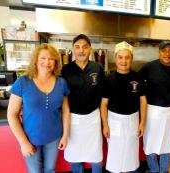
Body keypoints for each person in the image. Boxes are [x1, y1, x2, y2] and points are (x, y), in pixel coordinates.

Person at [7, 43, 71, 173]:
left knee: (50, 169)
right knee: (34, 171)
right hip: (30, 138)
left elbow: (66, 112)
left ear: (56, 62)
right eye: (43, 58)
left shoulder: (61, 83)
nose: (47, 62)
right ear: (35, 60)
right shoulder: (22, 82)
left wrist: (65, 135)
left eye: (51, 58)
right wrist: (23, 142)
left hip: (54, 137)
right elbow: (12, 114)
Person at [139, 40, 170, 173]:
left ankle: (164, 170)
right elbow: (136, 84)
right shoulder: (148, 67)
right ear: (159, 52)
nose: (167, 54)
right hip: (151, 112)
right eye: (164, 50)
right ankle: (154, 169)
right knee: (150, 143)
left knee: (167, 144)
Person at [101, 41, 147, 173]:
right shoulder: (109, 79)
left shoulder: (137, 78)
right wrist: (105, 125)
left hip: (133, 121)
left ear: (131, 59)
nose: (124, 61)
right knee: (115, 154)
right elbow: (103, 104)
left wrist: (142, 123)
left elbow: (143, 101)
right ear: (115, 59)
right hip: (114, 121)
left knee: (130, 154)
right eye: (120, 57)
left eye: (127, 57)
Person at [62, 34, 104, 173]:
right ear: (73, 49)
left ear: (90, 49)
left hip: (93, 118)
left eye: (85, 47)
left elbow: (104, 95)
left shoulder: (98, 68)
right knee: (75, 155)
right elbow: (61, 95)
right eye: (77, 47)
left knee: (96, 156)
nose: (81, 51)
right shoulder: (66, 70)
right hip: (73, 120)